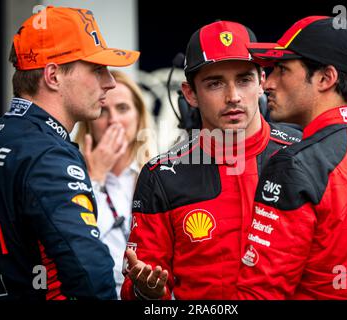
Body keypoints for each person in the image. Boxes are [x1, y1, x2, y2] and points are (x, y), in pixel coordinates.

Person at [236, 15, 347, 299]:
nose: (267, 83)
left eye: (282, 69)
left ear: (325, 78)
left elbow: (261, 292)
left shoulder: (294, 163)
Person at [0, 6, 139, 299]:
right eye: (97, 69)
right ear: (53, 76)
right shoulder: (48, 155)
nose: (109, 81)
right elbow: (87, 270)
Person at [121, 20, 302, 300]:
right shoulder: (162, 174)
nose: (233, 97)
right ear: (190, 93)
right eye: (215, 83)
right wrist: (148, 292)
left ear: (261, 82)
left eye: (244, 80)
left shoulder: (303, 154)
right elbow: (138, 287)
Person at [74, 70, 157, 298]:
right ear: (89, 122)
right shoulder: (72, 174)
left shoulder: (160, 175)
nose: (113, 120)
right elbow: (78, 242)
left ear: (139, 115)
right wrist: (96, 177)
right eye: (103, 111)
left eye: (122, 108)